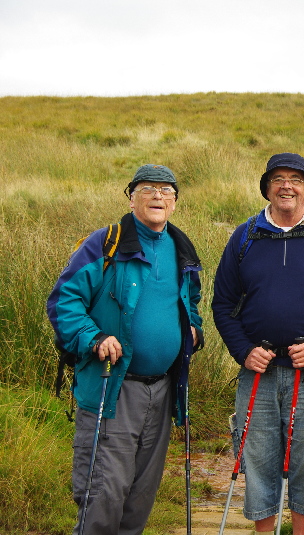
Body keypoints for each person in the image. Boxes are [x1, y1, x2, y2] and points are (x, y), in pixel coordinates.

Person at [212, 152, 304, 535]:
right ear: (266, 188)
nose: (286, 185)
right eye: (278, 178)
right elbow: (223, 304)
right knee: (258, 458)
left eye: (296, 179)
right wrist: (244, 350)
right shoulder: (246, 236)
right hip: (258, 372)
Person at [47, 164, 204, 535]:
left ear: (176, 203)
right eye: (148, 189)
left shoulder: (182, 248)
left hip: (164, 390)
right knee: (104, 491)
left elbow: (191, 301)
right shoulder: (106, 243)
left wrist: (193, 329)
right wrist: (94, 337)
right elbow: (63, 301)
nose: (158, 196)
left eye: (167, 191)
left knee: (140, 495)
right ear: (131, 197)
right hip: (113, 387)